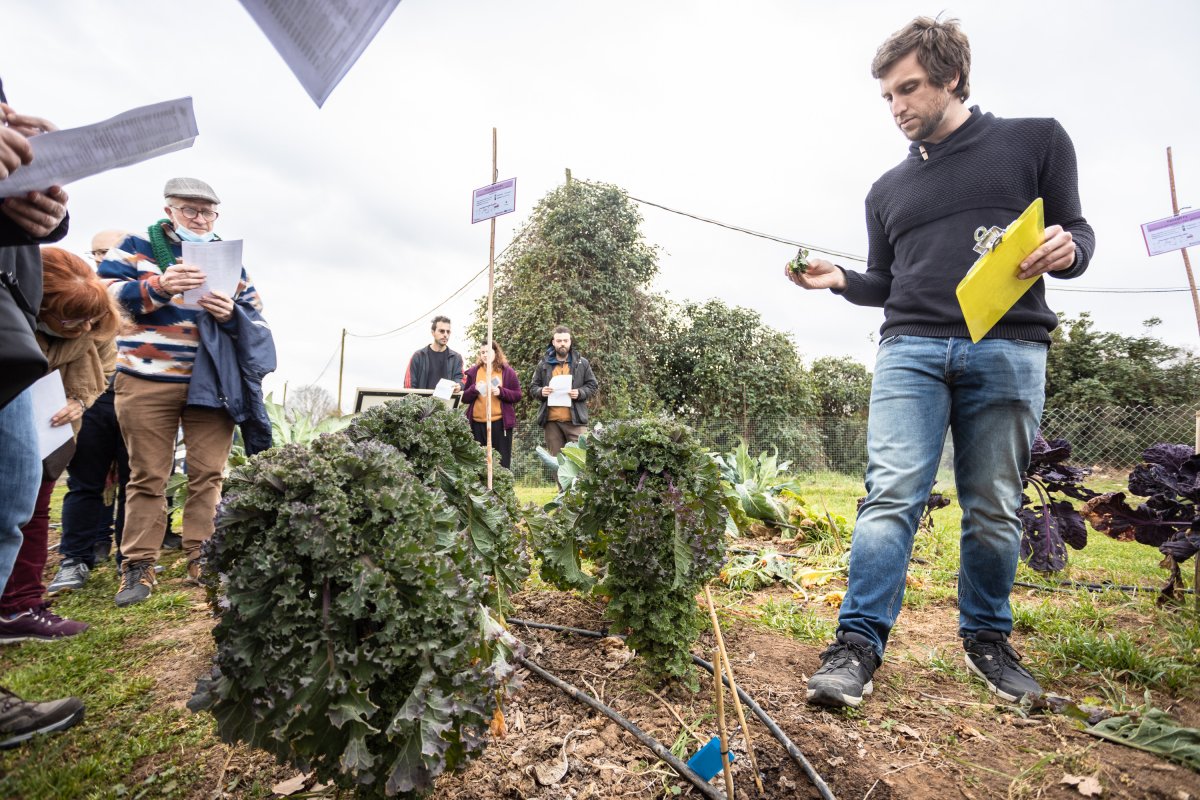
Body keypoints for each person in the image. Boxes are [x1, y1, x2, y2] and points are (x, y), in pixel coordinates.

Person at [788, 17, 1094, 709]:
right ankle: (857, 644)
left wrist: (1067, 248)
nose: (897, 107)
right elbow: (885, 282)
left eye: (910, 88)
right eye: (888, 97)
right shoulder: (885, 191)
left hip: (1009, 347)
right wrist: (839, 278)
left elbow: (1077, 231)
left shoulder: (1035, 140)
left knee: (993, 506)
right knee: (890, 496)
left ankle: (988, 640)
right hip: (910, 351)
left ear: (951, 76)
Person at [99, 177, 263, 607]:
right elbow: (103, 298)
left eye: (207, 212)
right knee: (148, 474)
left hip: (211, 384)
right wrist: (159, 287)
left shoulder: (228, 259)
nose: (199, 218)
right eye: (190, 209)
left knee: (209, 473)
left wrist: (231, 313)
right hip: (146, 378)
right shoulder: (136, 247)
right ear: (169, 209)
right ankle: (138, 564)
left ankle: (202, 555)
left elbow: (255, 312)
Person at [0, 81, 86, 747]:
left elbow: (97, 359)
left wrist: (44, 193)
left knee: (13, 497)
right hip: (22, 347)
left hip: (9, 325)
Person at [0, 248, 120, 641]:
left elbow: (104, 367)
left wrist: (78, 401)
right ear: (38, 304)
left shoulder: (98, 326)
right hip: (10, 409)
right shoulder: (13, 326)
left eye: (91, 318)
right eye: (71, 318)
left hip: (52, 428)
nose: (84, 327)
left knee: (33, 512)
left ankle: (21, 605)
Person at [47, 231, 137, 595]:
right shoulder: (78, 293)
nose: (103, 258)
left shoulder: (136, 286)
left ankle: (130, 561)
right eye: (97, 252)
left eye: (110, 251)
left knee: (135, 481)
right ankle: (75, 558)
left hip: (136, 392)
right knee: (86, 480)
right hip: (93, 400)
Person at [529, 325, 597, 456]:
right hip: (551, 423)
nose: (562, 344)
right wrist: (541, 391)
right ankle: (559, 479)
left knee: (581, 460)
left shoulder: (582, 363)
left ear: (570, 342)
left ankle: (579, 478)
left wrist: (580, 393)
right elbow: (533, 387)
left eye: (565, 341)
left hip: (575, 421)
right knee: (556, 463)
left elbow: (592, 385)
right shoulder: (543, 364)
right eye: (559, 341)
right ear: (553, 342)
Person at [462, 341, 522, 469]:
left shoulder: (507, 371)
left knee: (501, 463)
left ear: (496, 353)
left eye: (488, 352)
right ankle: (481, 488)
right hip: (477, 424)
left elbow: (517, 395)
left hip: (500, 424)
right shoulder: (474, 372)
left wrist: (501, 392)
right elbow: (465, 398)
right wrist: (474, 389)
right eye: (482, 352)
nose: (485, 355)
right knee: (479, 462)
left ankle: (501, 488)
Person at [403, 315, 463, 391]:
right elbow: (409, 385)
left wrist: (459, 385)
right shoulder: (418, 356)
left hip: (446, 402)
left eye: (448, 332)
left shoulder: (456, 358)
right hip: (422, 402)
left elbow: (460, 378)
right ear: (433, 332)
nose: (445, 334)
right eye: (441, 331)